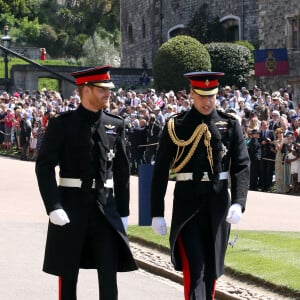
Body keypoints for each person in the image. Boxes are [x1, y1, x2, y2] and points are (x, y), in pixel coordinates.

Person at [35, 65, 138, 300]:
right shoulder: (62, 124)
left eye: (108, 89)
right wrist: (53, 205)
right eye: (102, 89)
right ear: (86, 89)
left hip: (105, 210)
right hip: (71, 207)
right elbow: (44, 166)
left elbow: (122, 171)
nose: (108, 93)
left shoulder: (116, 124)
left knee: (109, 277)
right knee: (68, 276)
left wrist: (123, 210)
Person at [150, 71, 250, 300]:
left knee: (211, 272)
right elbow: (160, 171)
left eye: (211, 96)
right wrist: (156, 213)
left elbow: (242, 165)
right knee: (195, 270)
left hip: (217, 204)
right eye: (202, 96)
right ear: (192, 94)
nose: (207, 102)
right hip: (188, 205)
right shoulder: (176, 125)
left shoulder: (229, 124)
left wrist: (239, 202)